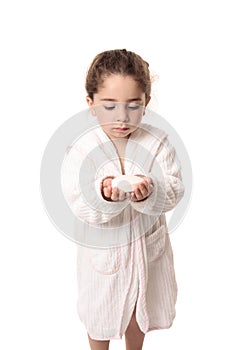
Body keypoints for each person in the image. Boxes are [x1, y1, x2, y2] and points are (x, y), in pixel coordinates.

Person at [61, 49, 185, 350]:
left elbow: (174, 188)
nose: (122, 117)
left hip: (146, 251)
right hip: (103, 257)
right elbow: (77, 200)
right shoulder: (81, 148)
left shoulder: (157, 142)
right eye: (109, 106)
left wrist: (151, 191)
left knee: (137, 313)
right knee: (99, 314)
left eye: (133, 106)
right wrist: (102, 193)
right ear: (91, 104)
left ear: (146, 103)